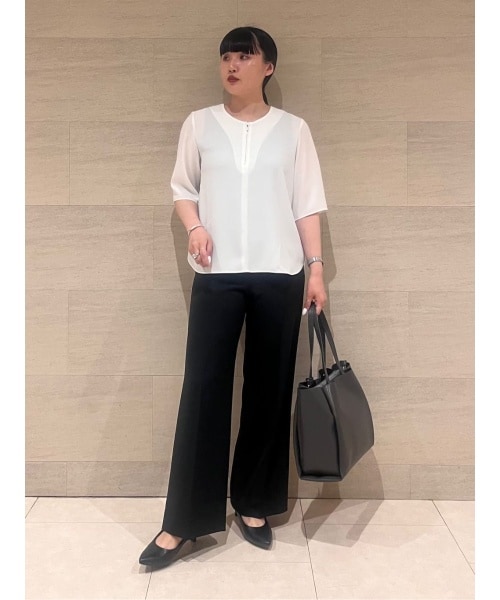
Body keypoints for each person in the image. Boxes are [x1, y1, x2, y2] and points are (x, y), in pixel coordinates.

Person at [139, 25, 328, 570]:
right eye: (226, 56)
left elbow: (306, 203)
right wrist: (196, 226)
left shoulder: (293, 130)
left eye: (244, 56)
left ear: (268, 67)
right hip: (217, 275)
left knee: (269, 392)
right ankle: (183, 521)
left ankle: (253, 504)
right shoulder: (199, 124)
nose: (232, 64)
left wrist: (316, 269)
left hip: (280, 272)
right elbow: (183, 189)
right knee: (203, 391)